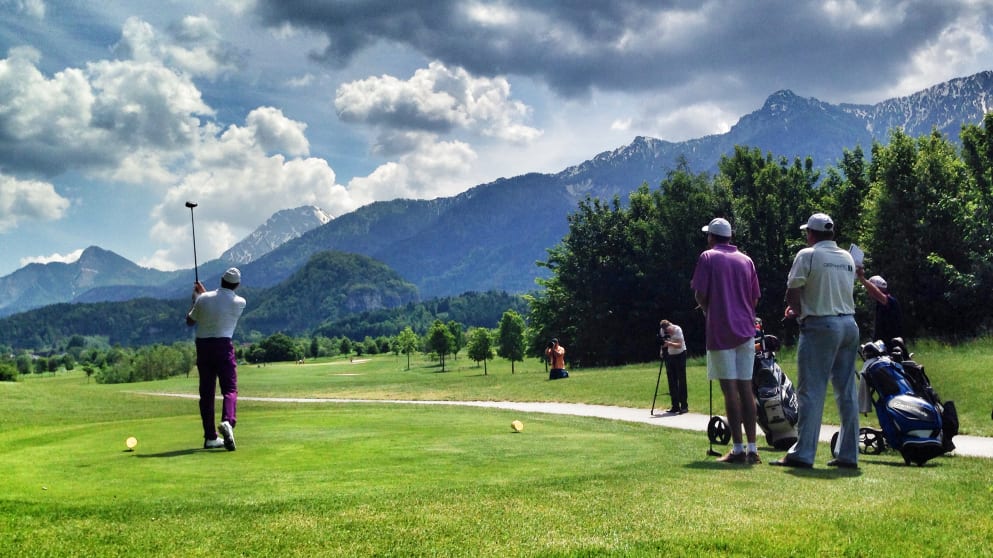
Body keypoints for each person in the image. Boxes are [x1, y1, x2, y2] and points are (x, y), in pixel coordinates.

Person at [772, 213, 860, 469]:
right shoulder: (846, 257)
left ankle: (803, 452)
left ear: (811, 233)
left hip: (820, 325)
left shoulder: (807, 255)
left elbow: (792, 291)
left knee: (811, 391)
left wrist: (799, 312)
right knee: (847, 392)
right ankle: (848, 454)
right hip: (849, 324)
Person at [691, 217, 762, 464]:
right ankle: (753, 449)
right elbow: (754, 298)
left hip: (721, 330)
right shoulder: (746, 260)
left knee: (729, 390)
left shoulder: (707, 257)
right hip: (746, 329)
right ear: (730, 237)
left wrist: (709, 310)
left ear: (711, 237)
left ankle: (738, 448)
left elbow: (700, 294)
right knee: (746, 388)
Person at [186, 267, 247, 451]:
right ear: (237, 285)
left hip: (203, 347)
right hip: (223, 346)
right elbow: (219, 306)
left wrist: (196, 300)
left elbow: (190, 321)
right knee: (229, 388)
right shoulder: (240, 302)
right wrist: (202, 298)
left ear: (221, 280)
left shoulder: (203, 299)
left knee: (206, 393)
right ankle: (228, 421)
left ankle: (211, 438)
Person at [856, 269, 903, 350]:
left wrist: (862, 278)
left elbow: (878, 295)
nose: (868, 292)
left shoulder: (891, 301)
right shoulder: (880, 303)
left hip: (892, 347)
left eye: (869, 289)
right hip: (883, 347)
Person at [659, 319, 688, 414]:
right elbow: (663, 342)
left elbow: (679, 345)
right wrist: (662, 350)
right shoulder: (663, 331)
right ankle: (675, 405)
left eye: (669, 331)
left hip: (680, 355)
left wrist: (670, 343)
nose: (668, 333)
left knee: (681, 380)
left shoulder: (677, 329)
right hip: (670, 355)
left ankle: (684, 406)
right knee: (672, 380)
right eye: (666, 332)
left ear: (671, 325)